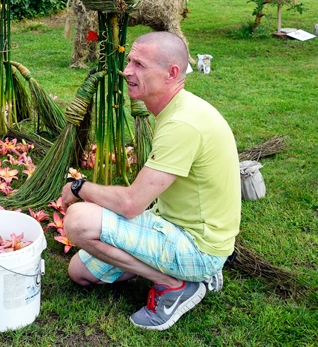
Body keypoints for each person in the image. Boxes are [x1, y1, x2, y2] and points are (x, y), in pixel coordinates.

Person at [59, 31, 240, 331]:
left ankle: (174, 283)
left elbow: (131, 204)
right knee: (80, 271)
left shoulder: (182, 124)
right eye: (129, 61)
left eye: (139, 65)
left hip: (199, 248)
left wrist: (79, 188)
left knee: (78, 221)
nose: (127, 70)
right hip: (174, 226)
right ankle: (190, 277)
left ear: (171, 73)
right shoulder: (177, 109)